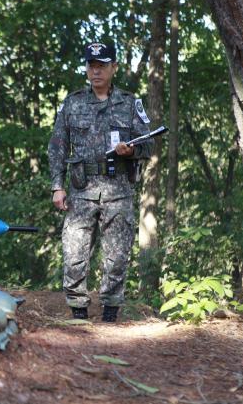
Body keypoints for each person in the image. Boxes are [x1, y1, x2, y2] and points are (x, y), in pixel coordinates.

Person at [48, 41, 154, 323]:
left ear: (113, 68)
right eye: (91, 66)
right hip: (81, 190)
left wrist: (132, 150)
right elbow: (57, 146)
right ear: (86, 68)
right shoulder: (72, 103)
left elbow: (149, 143)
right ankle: (78, 310)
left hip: (118, 189)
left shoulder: (130, 103)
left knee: (117, 255)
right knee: (74, 252)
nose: (96, 71)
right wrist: (58, 186)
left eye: (102, 66)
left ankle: (110, 312)